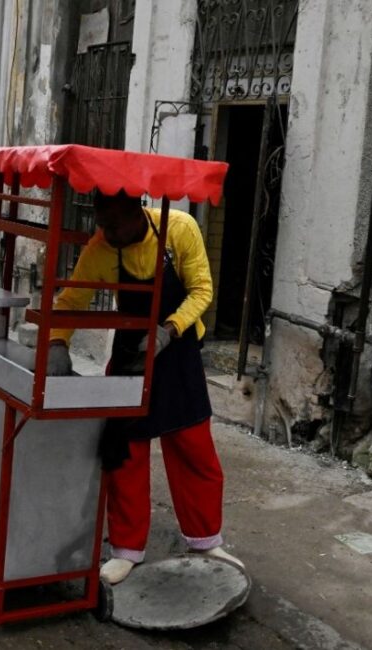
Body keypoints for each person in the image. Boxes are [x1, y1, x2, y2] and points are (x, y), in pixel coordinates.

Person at [47, 190, 241, 585]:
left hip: (177, 350)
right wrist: (56, 342)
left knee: (194, 450)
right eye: (103, 224)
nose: (108, 233)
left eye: (115, 224)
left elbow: (202, 289)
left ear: (138, 213)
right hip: (131, 353)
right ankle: (126, 548)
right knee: (125, 453)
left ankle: (205, 540)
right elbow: (73, 298)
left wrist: (168, 330)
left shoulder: (179, 229)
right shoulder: (101, 249)